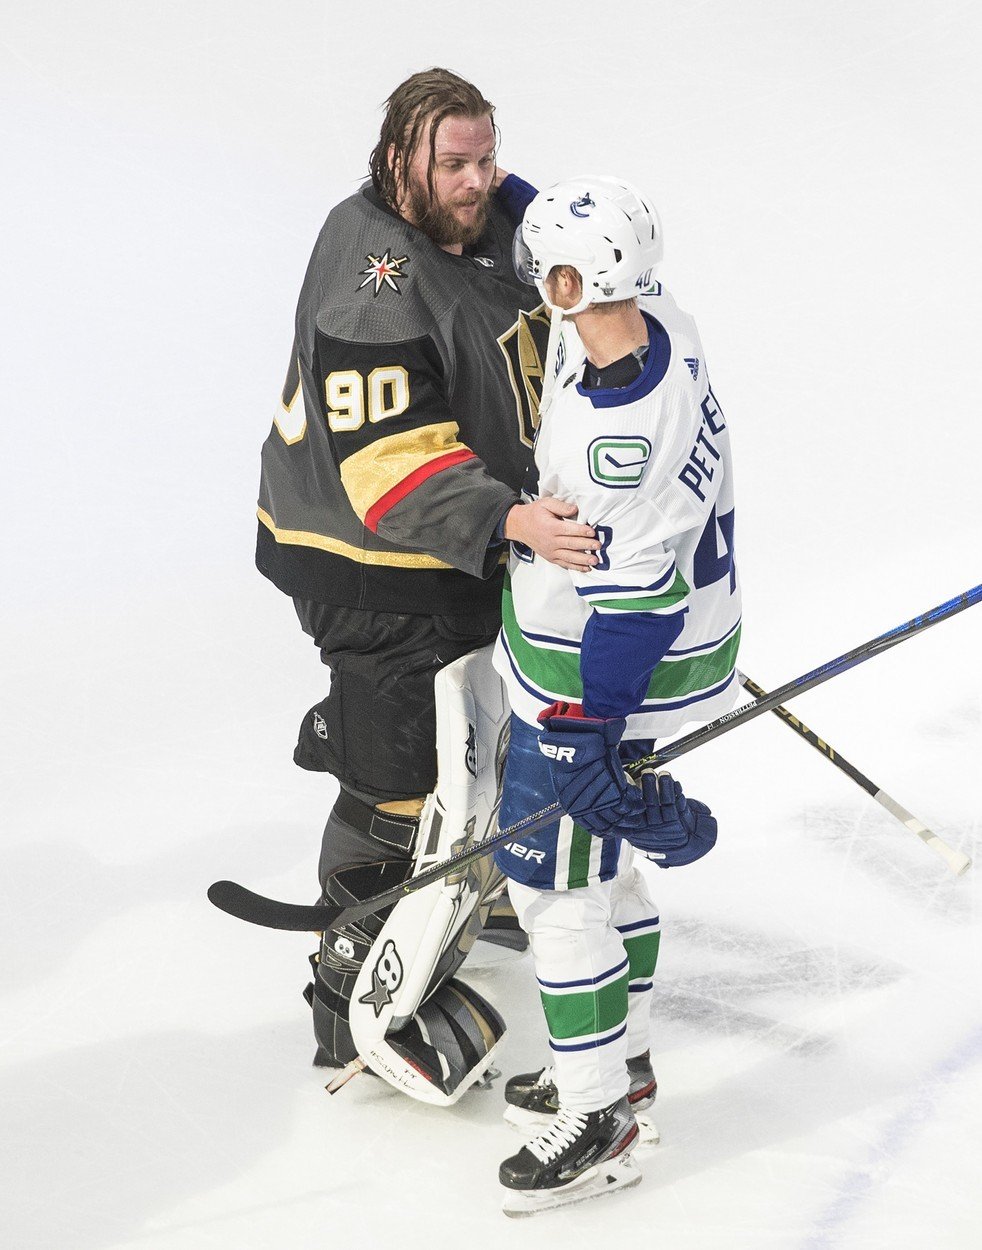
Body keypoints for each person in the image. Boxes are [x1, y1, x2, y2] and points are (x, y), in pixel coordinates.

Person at [255, 68, 599, 1075]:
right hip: (371, 558)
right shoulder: (375, 281)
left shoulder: (495, 214)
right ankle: (347, 982)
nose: (480, 179)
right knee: (403, 769)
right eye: (455, 162)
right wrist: (509, 515)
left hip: (459, 541)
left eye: (487, 155)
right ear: (399, 157)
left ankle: (456, 886)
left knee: (477, 739)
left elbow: (570, 256)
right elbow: (391, 467)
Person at [490, 176, 742, 1215]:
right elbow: (581, 234)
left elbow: (633, 606)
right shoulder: (657, 318)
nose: (532, 283)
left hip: (599, 670)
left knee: (553, 886)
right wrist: (495, 179)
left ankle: (599, 1111)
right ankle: (623, 1057)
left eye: (542, 270)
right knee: (606, 866)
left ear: (567, 281)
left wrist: (590, 732)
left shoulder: (615, 443)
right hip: (671, 647)